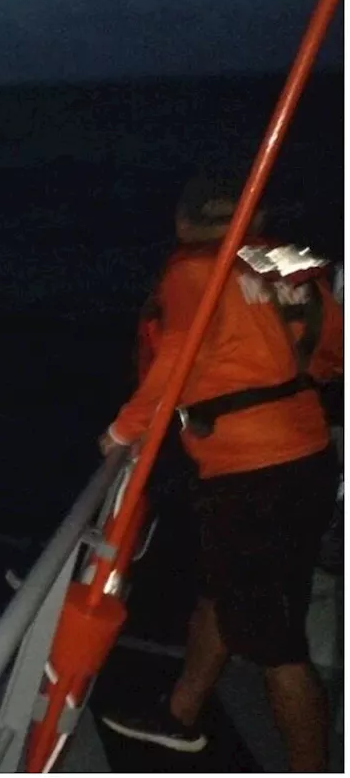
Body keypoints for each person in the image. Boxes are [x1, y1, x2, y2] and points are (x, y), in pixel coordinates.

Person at [97, 176, 343, 771]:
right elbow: (333, 351)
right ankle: (181, 713)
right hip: (306, 456)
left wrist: (121, 433)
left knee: (279, 649)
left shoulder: (188, 274)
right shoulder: (294, 263)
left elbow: (174, 361)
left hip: (250, 474)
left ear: (184, 225)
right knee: (221, 593)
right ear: (254, 218)